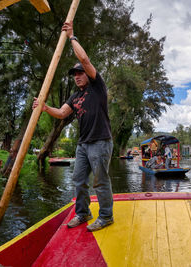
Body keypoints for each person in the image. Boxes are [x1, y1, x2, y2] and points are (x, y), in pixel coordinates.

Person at [32, 21, 113, 232]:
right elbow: (61, 113)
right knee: (78, 179)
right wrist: (43, 108)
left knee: (100, 181)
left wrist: (71, 37)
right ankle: (83, 213)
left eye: (80, 73)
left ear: (87, 74)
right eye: (74, 75)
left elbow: (84, 59)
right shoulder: (75, 96)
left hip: (100, 141)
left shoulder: (97, 86)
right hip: (83, 144)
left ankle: (106, 216)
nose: (77, 76)